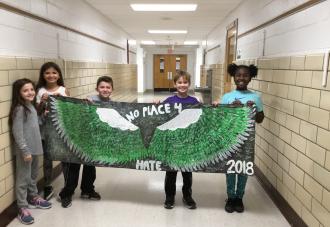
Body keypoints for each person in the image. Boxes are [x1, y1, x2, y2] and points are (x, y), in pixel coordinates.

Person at [57, 76, 112, 208]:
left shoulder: (112, 103)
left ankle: (87, 190)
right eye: (102, 87)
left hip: (93, 141)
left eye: (108, 87)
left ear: (112, 89)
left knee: (90, 167)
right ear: (97, 89)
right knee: (74, 167)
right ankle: (66, 194)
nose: (105, 89)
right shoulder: (89, 100)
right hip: (80, 140)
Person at [216, 63, 264, 213]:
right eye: (238, 75)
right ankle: (230, 197)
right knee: (231, 168)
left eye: (245, 75)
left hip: (247, 141)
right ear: (233, 77)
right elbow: (221, 120)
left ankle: (239, 198)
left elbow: (260, 119)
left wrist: (253, 110)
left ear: (250, 78)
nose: (241, 78)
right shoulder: (227, 97)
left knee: (243, 169)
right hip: (230, 139)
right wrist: (231, 110)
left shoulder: (255, 97)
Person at [9, 78, 52, 225]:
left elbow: (35, 125)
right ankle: (22, 207)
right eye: (25, 90)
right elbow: (17, 132)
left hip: (34, 148)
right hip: (25, 151)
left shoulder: (31, 107)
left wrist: (43, 115)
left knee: (33, 175)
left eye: (32, 89)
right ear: (18, 93)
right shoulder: (19, 109)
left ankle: (32, 196)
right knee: (23, 178)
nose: (30, 92)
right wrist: (25, 151)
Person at [162, 70, 199, 210]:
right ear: (175, 84)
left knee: (187, 173)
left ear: (189, 84)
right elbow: (159, 116)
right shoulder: (169, 101)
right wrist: (156, 104)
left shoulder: (194, 102)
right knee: (170, 172)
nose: (182, 85)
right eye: (179, 82)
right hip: (172, 144)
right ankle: (169, 197)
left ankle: (187, 196)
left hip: (187, 144)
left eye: (185, 82)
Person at [36, 62, 69, 201]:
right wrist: (43, 102)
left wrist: (61, 101)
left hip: (60, 130)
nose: (51, 75)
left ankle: (68, 186)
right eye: (47, 73)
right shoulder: (40, 91)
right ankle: (48, 185)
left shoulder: (63, 89)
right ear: (43, 75)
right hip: (45, 130)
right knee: (47, 159)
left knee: (64, 158)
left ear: (59, 75)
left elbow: (68, 111)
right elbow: (36, 112)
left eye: (54, 72)